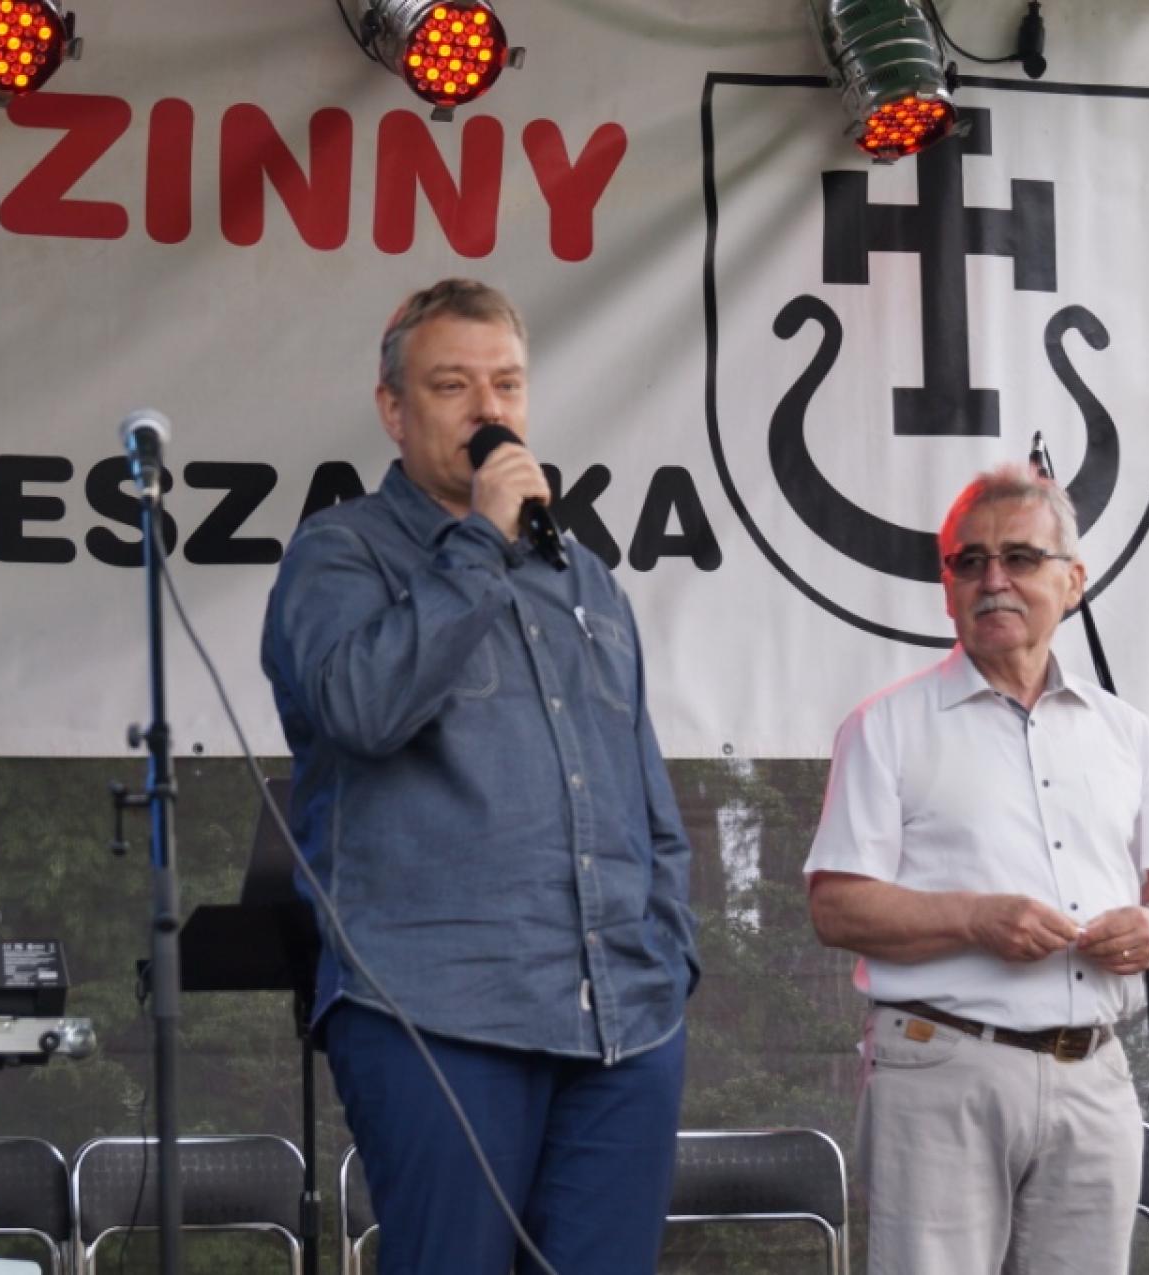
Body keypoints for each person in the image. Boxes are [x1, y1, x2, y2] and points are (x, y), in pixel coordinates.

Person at [261, 278, 699, 1275]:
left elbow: (644, 795)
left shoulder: (584, 577)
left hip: (622, 1021)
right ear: (393, 409)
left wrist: (669, 955)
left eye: (507, 384)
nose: (488, 410)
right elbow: (363, 708)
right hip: (438, 1011)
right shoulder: (340, 554)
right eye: (453, 385)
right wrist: (476, 547)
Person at [803, 462, 1149, 1275]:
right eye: (969, 562)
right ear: (946, 590)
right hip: (941, 1064)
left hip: (1095, 1073)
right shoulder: (885, 726)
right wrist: (974, 918)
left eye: (1019, 557)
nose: (993, 580)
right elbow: (835, 907)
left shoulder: (1129, 734)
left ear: (1074, 580)